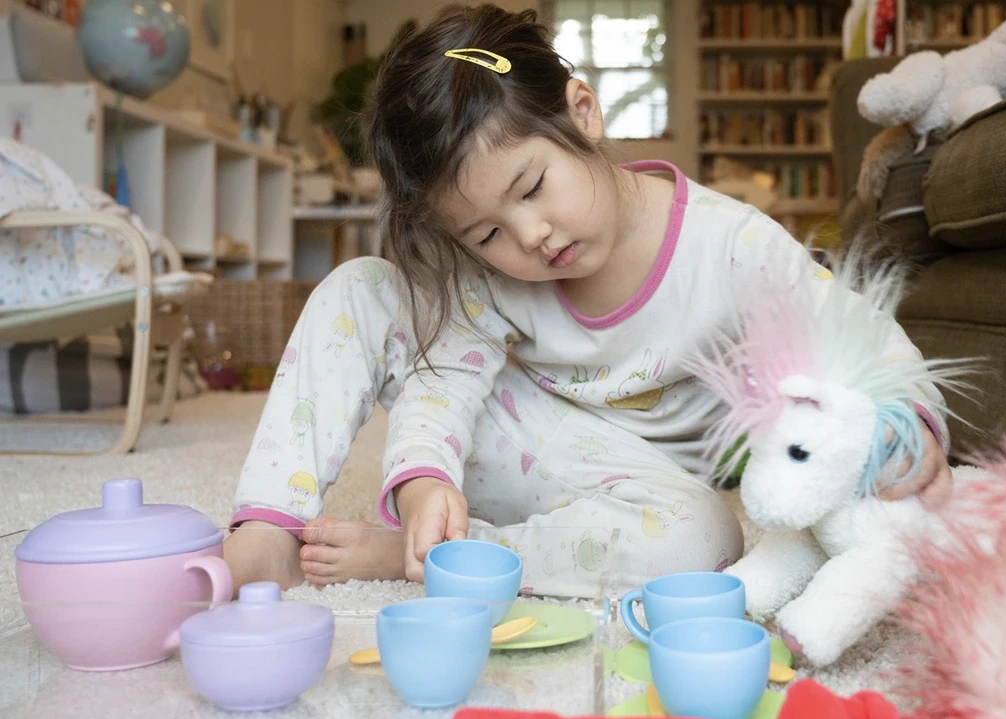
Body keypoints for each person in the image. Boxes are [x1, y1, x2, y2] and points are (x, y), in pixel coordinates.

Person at [221, 4, 954, 599]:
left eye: (534, 188)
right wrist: (423, 478)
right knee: (359, 288)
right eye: (487, 232)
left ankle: (450, 559)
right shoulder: (491, 269)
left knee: (702, 540)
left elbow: (866, 339)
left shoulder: (730, 249)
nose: (531, 236)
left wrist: (906, 425)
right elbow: (444, 377)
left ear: (583, 113)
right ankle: (267, 532)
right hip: (512, 445)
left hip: (644, 490)